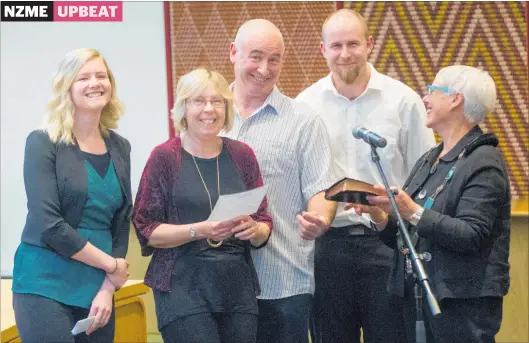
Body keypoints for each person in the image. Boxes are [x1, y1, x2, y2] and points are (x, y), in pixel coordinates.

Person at [296, 9, 436, 343]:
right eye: (336, 46)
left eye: (353, 44)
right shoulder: (304, 105)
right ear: (322, 49)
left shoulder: (403, 101)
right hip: (326, 250)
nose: (345, 54)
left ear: (369, 44)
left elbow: (426, 175)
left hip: (387, 245)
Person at [350, 65, 511, 343]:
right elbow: (407, 238)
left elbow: (472, 235)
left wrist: (411, 211)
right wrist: (379, 215)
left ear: (455, 99)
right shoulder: (430, 159)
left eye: (432, 91)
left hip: (460, 303)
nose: (425, 99)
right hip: (414, 300)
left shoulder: (484, 160)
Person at [132, 68, 272, 343]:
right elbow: (146, 229)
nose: (209, 109)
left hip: (236, 286)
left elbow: (264, 221)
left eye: (217, 101)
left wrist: (254, 230)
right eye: (199, 101)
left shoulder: (242, 155)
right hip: (182, 285)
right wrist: (200, 230)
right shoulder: (164, 157)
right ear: (183, 108)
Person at [223, 19, 337, 343]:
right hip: (219, 286)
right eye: (255, 56)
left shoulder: (303, 121)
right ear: (233, 53)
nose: (264, 68)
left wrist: (320, 219)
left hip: (284, 283)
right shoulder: (207, 116)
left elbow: (320, 187)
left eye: (274, 59)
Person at [12, 48, 132, 343]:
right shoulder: (43, 141)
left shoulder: (120, 146)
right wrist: (111, 266)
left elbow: (121, 221)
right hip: (44, 283)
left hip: (97, 291)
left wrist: (108, 285)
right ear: (67, 87)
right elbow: (49, 224)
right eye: (83, 77)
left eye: (101, 76)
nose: (94, 83)